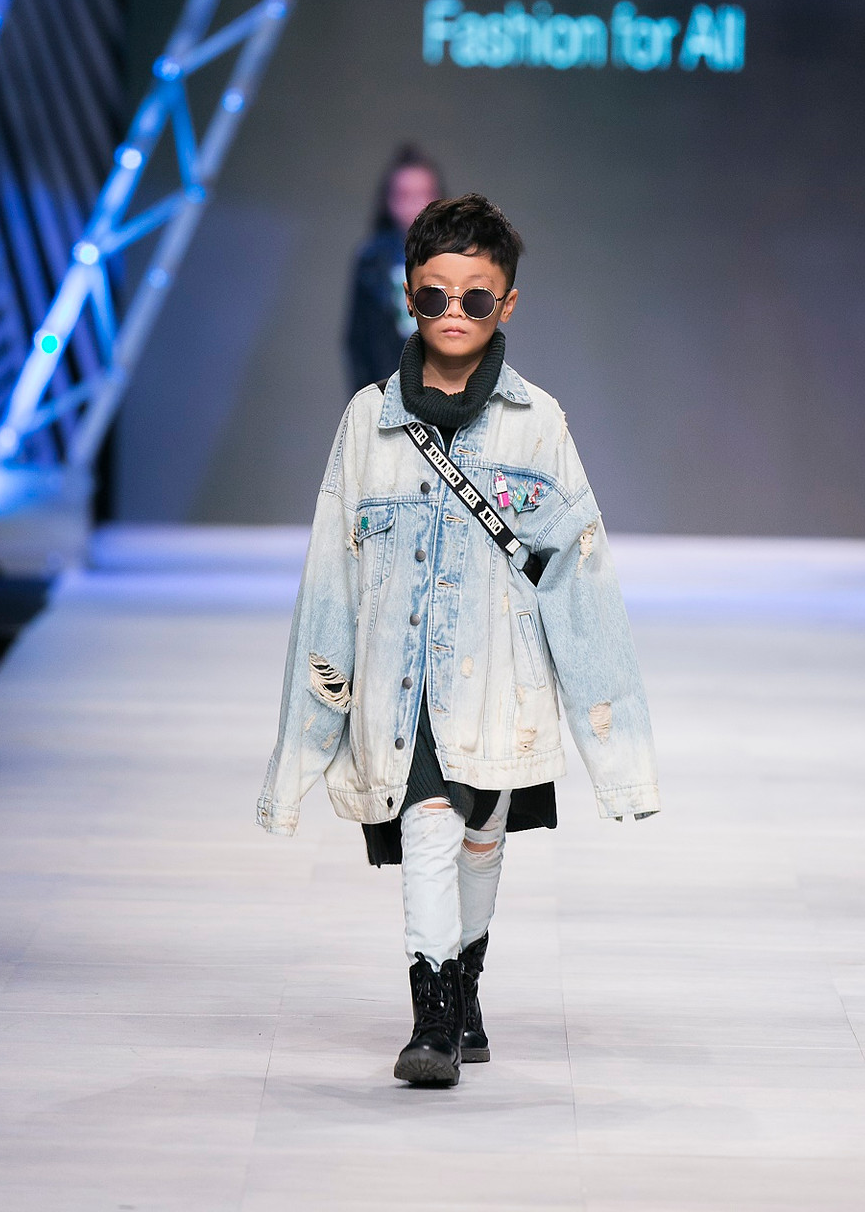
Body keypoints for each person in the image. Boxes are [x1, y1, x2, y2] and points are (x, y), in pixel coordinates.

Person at [258, 193, 660, 1088]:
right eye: (434, 295)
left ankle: (467, 984)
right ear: (409, 296)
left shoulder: (538, 423)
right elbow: (331, 573)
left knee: (482, 834)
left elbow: (579, 577)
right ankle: (433, 1018)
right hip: (399, 684)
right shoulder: (367, 420)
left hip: (499, 678)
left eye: (475, 298)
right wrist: (303, 742)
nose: (453, 313)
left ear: (506, 303)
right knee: (431, 824)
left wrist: (617, 754)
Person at [344, 145, 443, 394]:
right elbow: (359, 339)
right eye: (405, 195)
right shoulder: (371, 261)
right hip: (387, 385)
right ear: (389, 201)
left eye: (424, 194)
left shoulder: (457, 258)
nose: (416, 205)